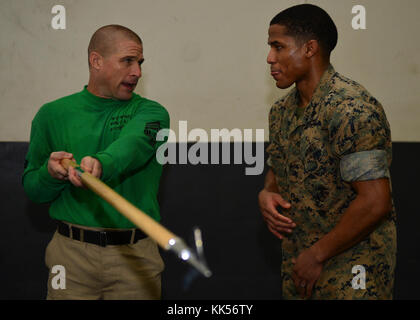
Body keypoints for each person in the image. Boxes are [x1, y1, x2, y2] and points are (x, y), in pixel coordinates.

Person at [258, 4, 396, 299]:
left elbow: (375, 201)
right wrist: (267, 193)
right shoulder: (281, 111)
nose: (270, 58)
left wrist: (317, 255)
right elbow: (278, 171)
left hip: (354, 270)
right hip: (301, 264)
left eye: (278, 47)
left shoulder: (351, 107)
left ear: (310, 49)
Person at [22, 25, 169, 300]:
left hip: (135, 255)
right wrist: (49, 174)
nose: (137, 71)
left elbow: (134, 145)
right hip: (70, 255)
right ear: (96, 61)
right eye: (128, 61)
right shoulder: (51, 115)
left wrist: (101, 164)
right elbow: (33, 189)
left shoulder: (152, 113)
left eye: (139, 62)